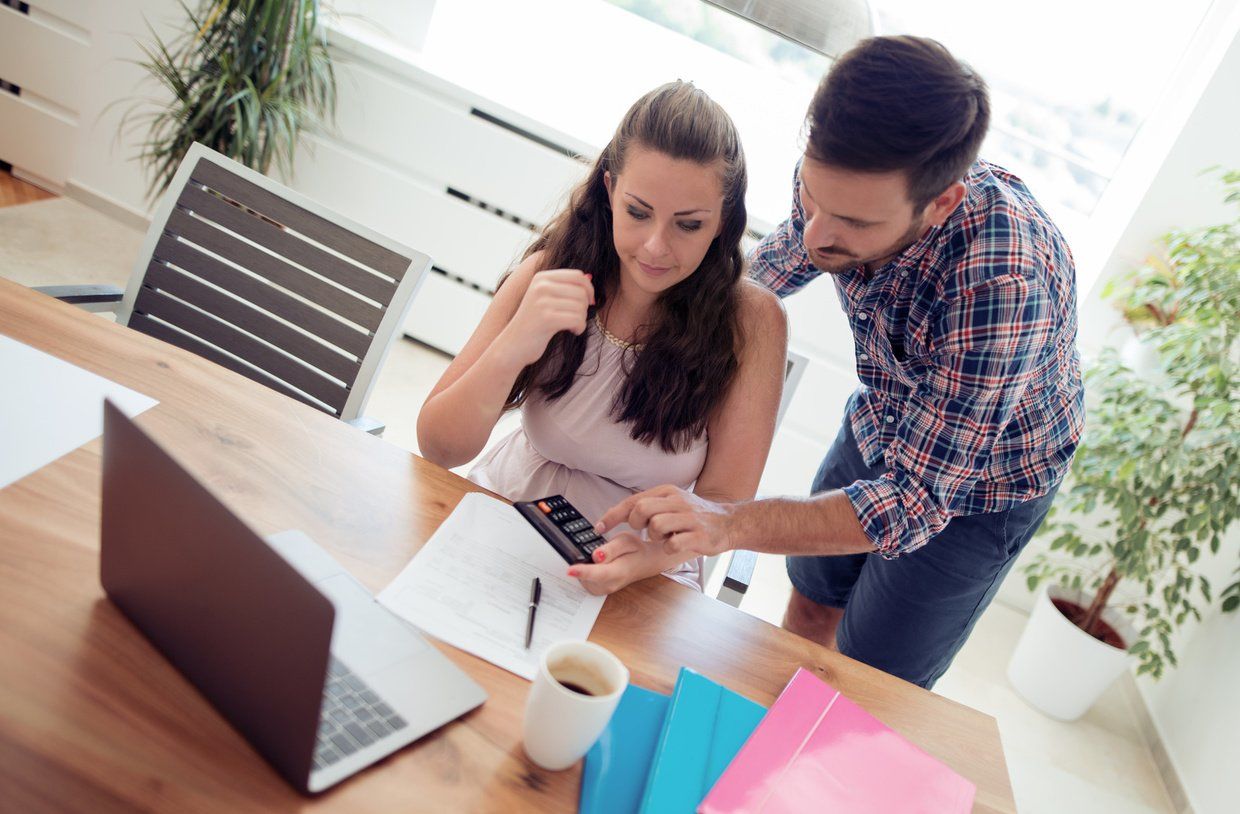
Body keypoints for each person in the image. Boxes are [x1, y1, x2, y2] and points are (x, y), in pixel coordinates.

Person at [595, 37, 1085, 689]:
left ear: (938, 204)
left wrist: (728, 522)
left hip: (980, 486)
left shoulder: (1001, 285)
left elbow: (912, 502)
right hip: (881, 417)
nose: (817, 232)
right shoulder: (844, 185)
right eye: (811, 195)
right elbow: (767, 275)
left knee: (870, 678)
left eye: (851, 220)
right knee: (810, 597)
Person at [417, 81, 787, 596]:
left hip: (646, 571)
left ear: (723, 222)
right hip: (504, 517)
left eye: (689, 224)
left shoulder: (752, 322)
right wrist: (514, 346)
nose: (656, 247)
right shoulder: (550, 272)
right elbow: (437, 448)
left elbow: (724, 504)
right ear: (610, 190)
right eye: (637, 212)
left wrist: (651, 555)